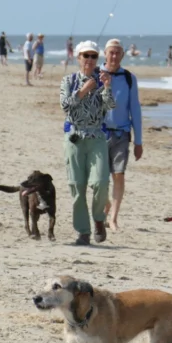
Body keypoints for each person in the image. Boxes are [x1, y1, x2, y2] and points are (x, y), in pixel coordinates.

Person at [59, 41, 115, 246]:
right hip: (74, 138)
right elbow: (65, 106)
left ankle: (99, 220)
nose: (90, 60)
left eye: (93, 56)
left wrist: (106, 87)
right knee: (77, 186)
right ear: (78, 58)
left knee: (100, 182)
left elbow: (110, 105)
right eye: (86, 56)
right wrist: (82, 91)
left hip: (97, 137)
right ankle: (83, 232)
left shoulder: (102, 80)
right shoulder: (69, 80)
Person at [100, 39, 143, 232]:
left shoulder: (128, 78)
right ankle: (105, 205)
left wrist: (139, 141)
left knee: (119, 175)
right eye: (111, 52)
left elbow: (135, 109)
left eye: (118, 53)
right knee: (99, 179)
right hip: (99, 134)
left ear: (123, 55)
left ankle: (114, 218)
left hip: (122, 135)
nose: (114, 56)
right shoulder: (96, 74)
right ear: (105, 54)